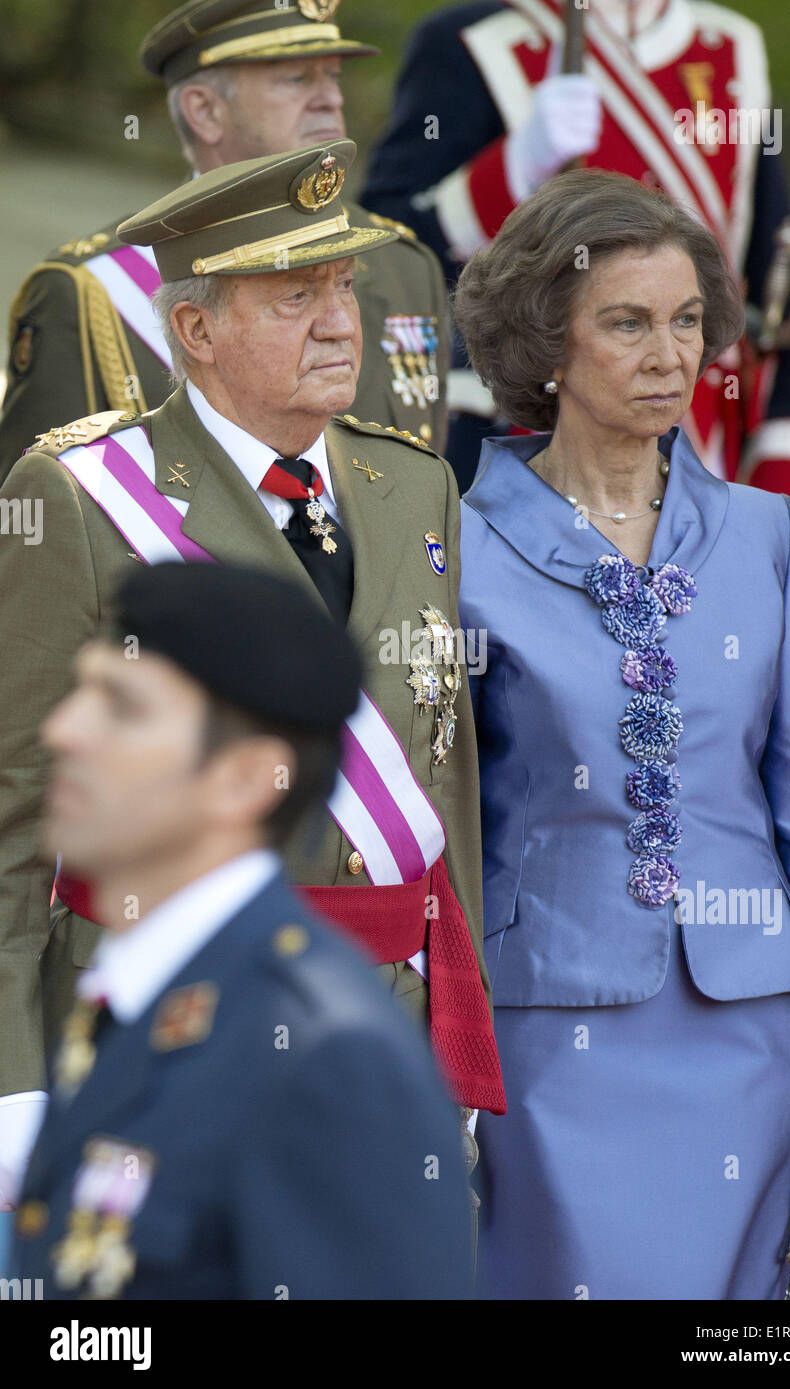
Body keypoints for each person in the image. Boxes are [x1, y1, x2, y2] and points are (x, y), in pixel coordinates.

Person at [0, 142, 503, 1215]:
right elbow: (14, 821)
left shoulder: (414, 487)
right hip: (162, 1040)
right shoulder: (84, 500)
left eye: (340, 287)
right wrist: (13, 1089)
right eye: (292, 297)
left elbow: (439, 779)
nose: (337, 322)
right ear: (194, 330)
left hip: (381, 1040)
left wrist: (458, 1030)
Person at [454, 168, 790, 1300]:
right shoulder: (455, 549)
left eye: (685, 321)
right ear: (546, 340)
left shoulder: (762, 535)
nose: (668, 353)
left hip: (748, 1029)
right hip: (545, 1030)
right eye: (624, 322)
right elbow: (434, 820)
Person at [7, 561, 476, 1299]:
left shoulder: (329, 1054)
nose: (64, 730)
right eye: (79, 692)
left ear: (246, 780)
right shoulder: (143, 988)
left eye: (122, 707)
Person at [362, 0, 790, 507]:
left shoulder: (732, 45)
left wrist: (782, 449)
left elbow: (777, 281)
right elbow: (386, 244)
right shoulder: (472, 39)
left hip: (702, 436)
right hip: (528, 434)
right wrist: (512, 167)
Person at [0, 0, 449, 481]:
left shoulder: (405, 264)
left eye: (333, 77)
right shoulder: (88, 293)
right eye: (297, 79)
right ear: (205, 110)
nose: (330, 99)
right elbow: (40, 524)